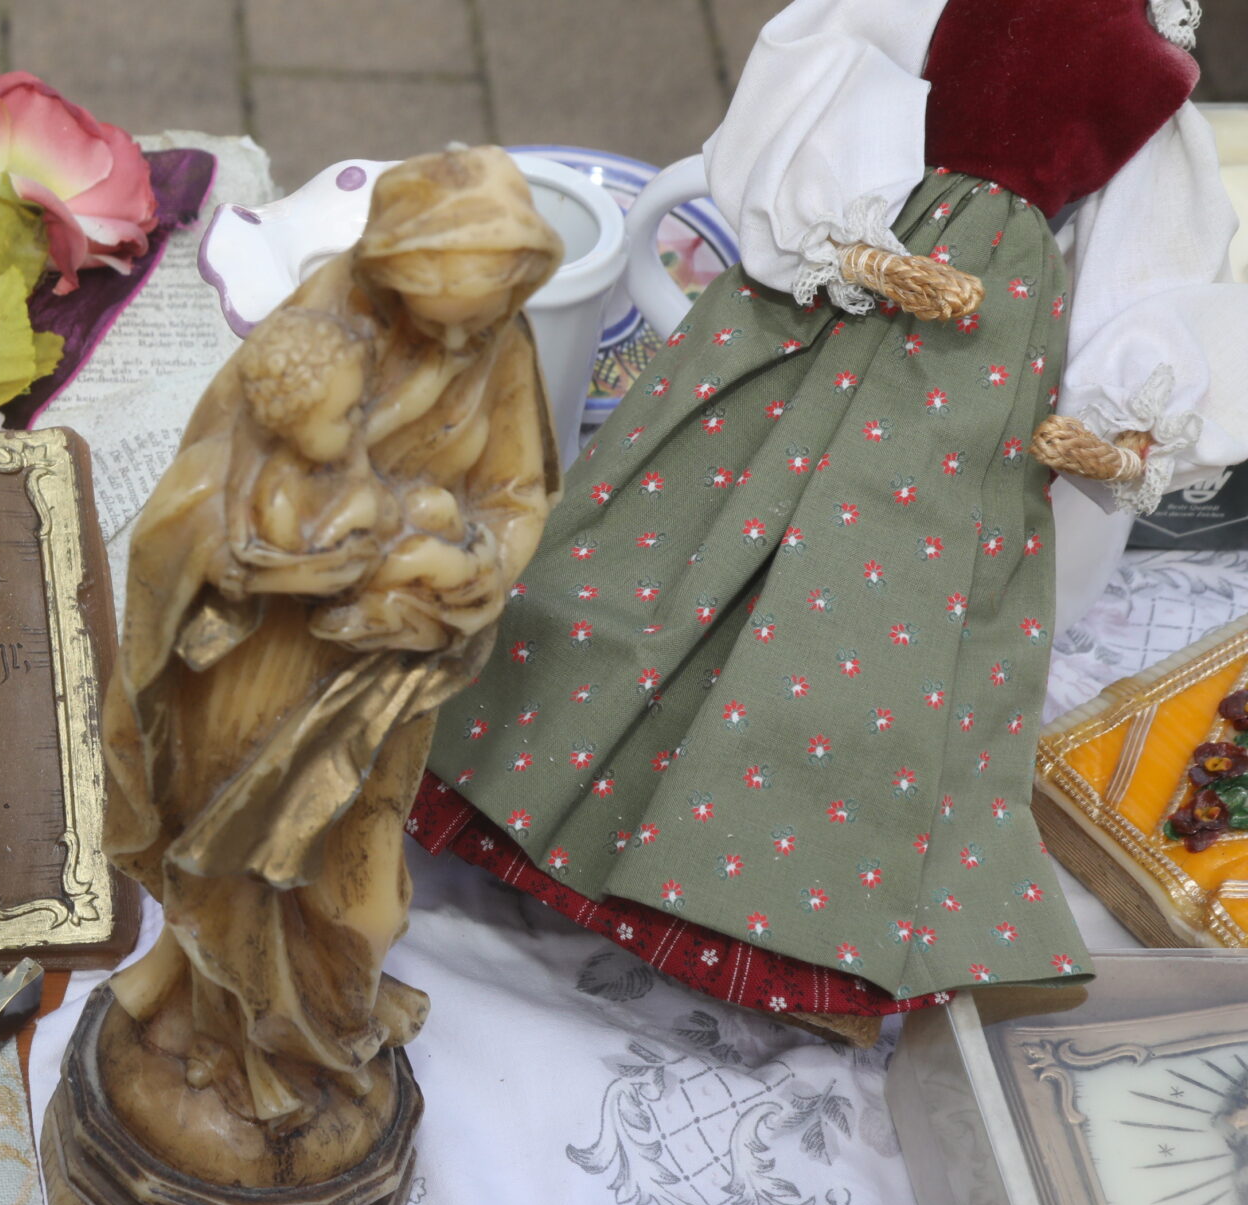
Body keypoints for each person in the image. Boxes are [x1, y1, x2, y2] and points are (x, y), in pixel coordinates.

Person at [417, 0, 1248, 1032]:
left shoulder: (1155, 68)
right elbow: (824, 73)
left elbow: (1155, 255)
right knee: (681, 528)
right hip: (846, 272)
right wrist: (851, 244)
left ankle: (788, 915)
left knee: (880, 635)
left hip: (983, 359)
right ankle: (513, 770)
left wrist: (1127, 420)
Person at [103, 147, 559, 1133]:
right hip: (269, 669)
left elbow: (516, 496)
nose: (464, 342)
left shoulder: (497, 342)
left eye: (485, 315)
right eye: (441, 316)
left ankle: (309, 1017)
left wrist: (478, 567)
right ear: (391, 274)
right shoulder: (318, 334)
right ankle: (246, 1042)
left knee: (361, 892)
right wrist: (273, 562)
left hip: (394, 668)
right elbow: (205, 491)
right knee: (246, 863)